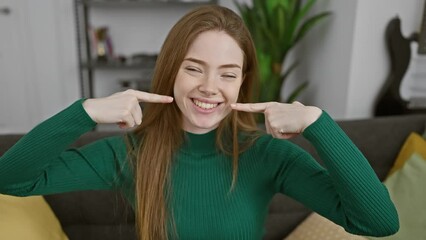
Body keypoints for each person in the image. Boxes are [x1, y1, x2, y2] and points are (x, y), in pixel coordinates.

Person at [0, 5, 398, 240]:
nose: (210, 87)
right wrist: (84, 112)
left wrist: (317, 123)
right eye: (195, 68)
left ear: (242, 83)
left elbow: (379, 223)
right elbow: (11, 179)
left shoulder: (268, 156)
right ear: (172, 70)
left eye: (227, 73)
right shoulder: (130, 150)